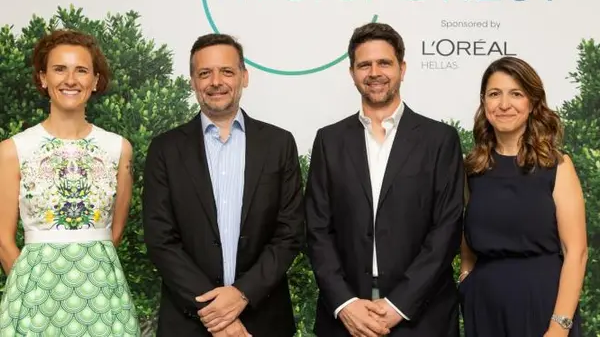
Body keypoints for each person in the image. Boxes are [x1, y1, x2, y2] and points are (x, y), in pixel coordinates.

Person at [305, 22, 465, 337]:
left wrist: (398, 305)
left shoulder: (440, 140)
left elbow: (446, 229)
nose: (374, 72)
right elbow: (317, 229)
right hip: (347, 318)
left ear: (402, 69)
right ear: (352, 73)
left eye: (384, 63)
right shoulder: (329, 141)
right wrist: (345, 302)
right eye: (364, 65)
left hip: (422, 316)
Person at [142, 33, 304, 337]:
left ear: (244, 77)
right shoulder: (165, 149)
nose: (216, 82)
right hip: (189, 322)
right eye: (205, 73)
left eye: (226, 71)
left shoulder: (278, 144)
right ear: (193, 81)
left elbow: (289, 233)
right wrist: (217, 314)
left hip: (264, 321)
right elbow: (160, 239)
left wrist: (242, 294)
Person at [0, 29, 140, 336]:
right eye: (59, 69)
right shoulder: (13, 150)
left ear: (95, 81)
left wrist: (91, 274)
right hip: (33, 297)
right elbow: (3, 240)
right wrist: (30, 288)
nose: (70, 80)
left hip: (102, 295)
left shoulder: (119, 148)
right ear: (43, 78)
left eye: (81, 70)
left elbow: (114, 233)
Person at [459, 56, 587, 336]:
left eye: (516, 94)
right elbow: (468, 242)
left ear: (532, 103)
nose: (504, 104)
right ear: (484, 102)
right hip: (485, 307)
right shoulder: (473, 168)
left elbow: (576, 252)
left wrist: (559, 325)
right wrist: (466, 279)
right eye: (495, 94)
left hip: (543, 306)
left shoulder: (557, 166)